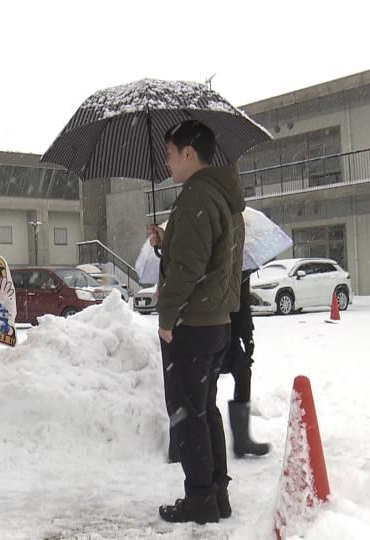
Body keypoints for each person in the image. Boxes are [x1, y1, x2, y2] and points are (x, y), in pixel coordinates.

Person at [148, 119, 245, 524]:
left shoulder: (194, 198)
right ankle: (216, 493)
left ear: (189, 152)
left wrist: (168, 317)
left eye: (170, 154)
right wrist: (164, 243)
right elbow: (210, 260)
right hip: (217, 321)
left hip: (192, 324)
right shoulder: (221, 196)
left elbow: (187, 268)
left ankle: (201, 498)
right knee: (204, 411)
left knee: (187, 414)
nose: (167, 163)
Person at [221, 270, 270, 457]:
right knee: (206, 383)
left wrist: (247, 336)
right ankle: (201, 437)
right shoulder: (224, 257)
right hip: (211, 326)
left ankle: (241, 439)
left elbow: (243, 303)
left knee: (242, 374)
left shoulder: (242, 268)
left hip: (230, 331)